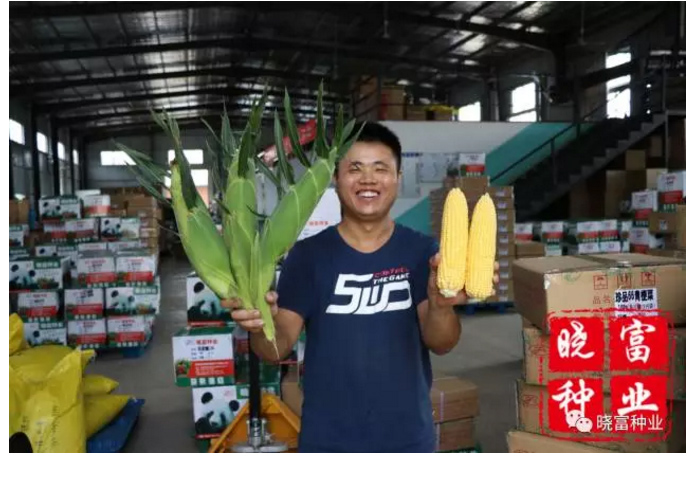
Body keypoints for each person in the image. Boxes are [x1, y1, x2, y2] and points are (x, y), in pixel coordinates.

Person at [222, 122, 498, 453]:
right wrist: (258, 326)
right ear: (335, 178)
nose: (368, 179)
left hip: (408, 439)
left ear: (397, 178)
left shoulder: (423, 252)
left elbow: (441, 344)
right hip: (328, 442)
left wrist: (441, 306)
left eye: (380, 169)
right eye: (355, 168)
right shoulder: (307, 256)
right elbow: (276, 349)